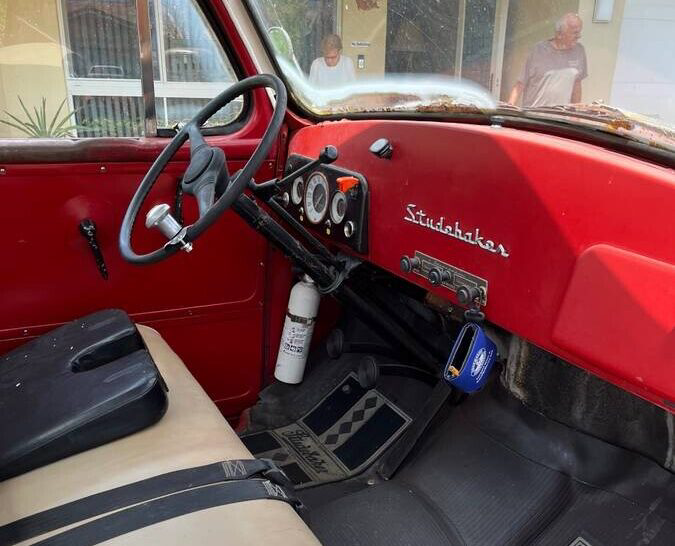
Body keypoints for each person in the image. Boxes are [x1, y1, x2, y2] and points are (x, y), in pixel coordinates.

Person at [508, 13, 588, 107]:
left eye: (579, 32)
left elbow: (577, 84)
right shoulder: (538, 50)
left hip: (560, 117)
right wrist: (509, 106)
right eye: (575, 32)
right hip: (534, 116)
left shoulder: (579, 51)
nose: (579, 36)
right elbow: (520, 83)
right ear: (559, 34)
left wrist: (576, 113)